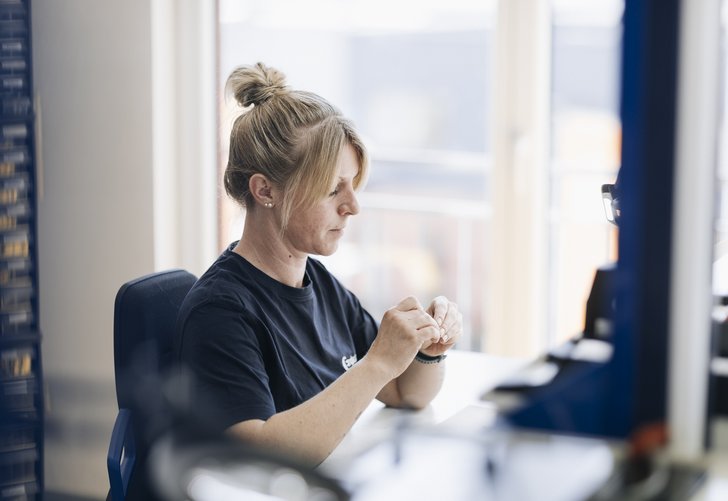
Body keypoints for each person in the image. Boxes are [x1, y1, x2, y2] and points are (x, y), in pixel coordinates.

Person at [175, 62, 462, 467]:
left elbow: (403, 393)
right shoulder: (221, 311)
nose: (352, 206)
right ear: (265, 190)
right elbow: (254, 458)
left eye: (352, 186)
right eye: (332, 190)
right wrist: (377, 361)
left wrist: (429, 351)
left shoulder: (317, 282)